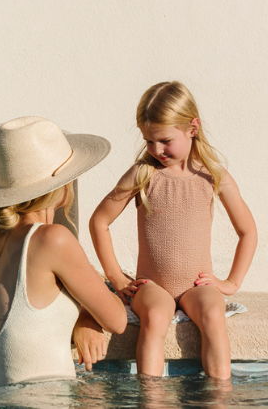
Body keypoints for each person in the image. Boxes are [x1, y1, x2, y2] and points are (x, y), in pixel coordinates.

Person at [90, 81, 257, 379]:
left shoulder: (213, 175)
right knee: (155, 316)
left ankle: (219, 395)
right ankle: (151, 397)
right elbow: (99, 221)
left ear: (192, 128)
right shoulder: (144, 173)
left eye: (165, 140)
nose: (156, 150)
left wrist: (231, 282)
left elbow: (247, 231)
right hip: (153, 285)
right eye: (149, 141)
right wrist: (116, 277)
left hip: (196, 285)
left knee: (213, 314)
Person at [0, 116, 127, 385]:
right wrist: (88, 314)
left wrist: (84, 313)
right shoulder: (53, 239)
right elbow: (117, 320)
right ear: (61, 185)